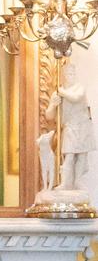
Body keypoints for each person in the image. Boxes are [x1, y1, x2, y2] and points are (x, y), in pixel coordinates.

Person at [45, 62, 96, 191]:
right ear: (63, 76)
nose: (70, 76)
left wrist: (62, 92)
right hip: (70, 127)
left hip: (83, 125)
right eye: (67, 74)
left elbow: (75, 98)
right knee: (69, 154)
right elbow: (49, 116)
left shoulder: (78, 88)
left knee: (81, 156)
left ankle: (77, 181)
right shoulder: (58, 93)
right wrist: (53, 105)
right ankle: (66, 183)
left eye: (72, 74)